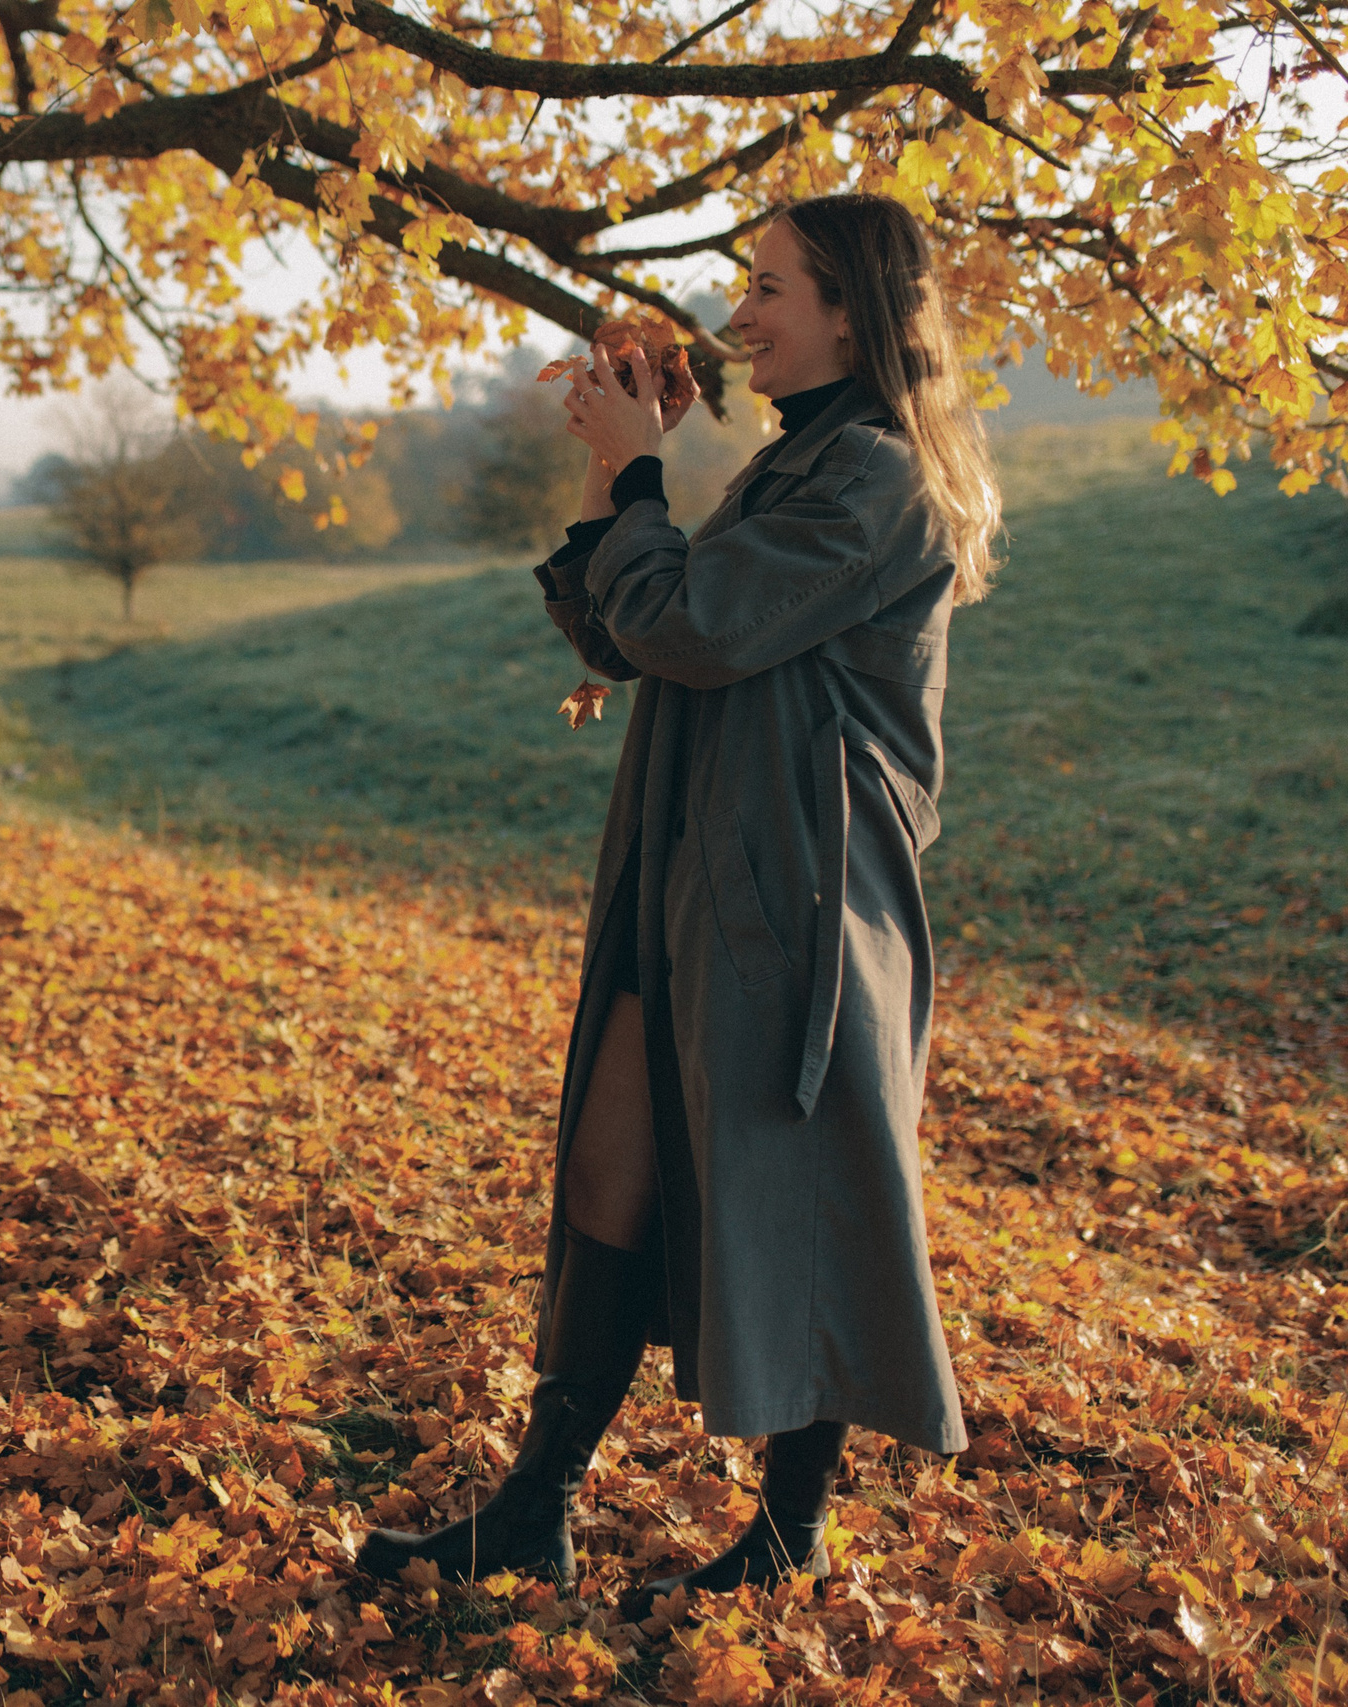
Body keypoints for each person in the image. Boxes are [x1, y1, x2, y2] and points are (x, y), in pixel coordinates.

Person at [355, 194, 1001, 1624]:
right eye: (745, 285)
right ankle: (532, 1512)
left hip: (803, 894)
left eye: (770, 287)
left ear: (853, 311)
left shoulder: (879, 478)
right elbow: (619, 625)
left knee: (803, 1191)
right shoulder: (792, 466)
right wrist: (614, 479)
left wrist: (646, 477)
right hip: (693, 869)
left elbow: (692, 627)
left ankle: (790, 1536)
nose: (740, 316)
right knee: (610, 1176)